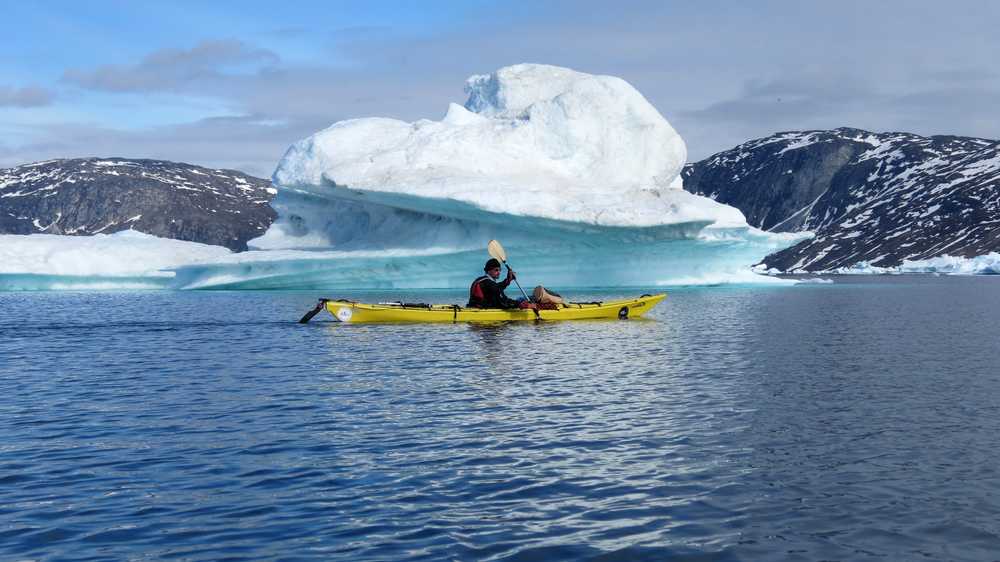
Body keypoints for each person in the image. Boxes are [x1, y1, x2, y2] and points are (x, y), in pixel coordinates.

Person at [468, 258, 537, 309]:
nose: (499, 272)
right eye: (496, 270)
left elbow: (497, 287)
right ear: (489, 270)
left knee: (524, 299)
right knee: (526, 300)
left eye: (499, 270)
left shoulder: (482, 280)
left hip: (474, 307)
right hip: (480, 310)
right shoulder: (488, 283)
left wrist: (508, 280)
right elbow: (503, 302)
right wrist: (522, 305)